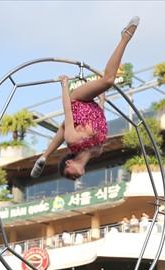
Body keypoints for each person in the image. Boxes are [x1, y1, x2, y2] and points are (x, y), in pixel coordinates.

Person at [30, 17, 140, 180]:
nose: (74, 178)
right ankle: (44, 157)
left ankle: (125, 37)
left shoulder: (72, 140)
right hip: (93, 108)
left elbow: (68, 110)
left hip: (78, 101)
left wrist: (64, 85)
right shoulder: (98, 150)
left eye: (70, 176)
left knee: (108, 80)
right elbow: (100, 122)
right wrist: (102, 101)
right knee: (64, 126)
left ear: (68, 163)